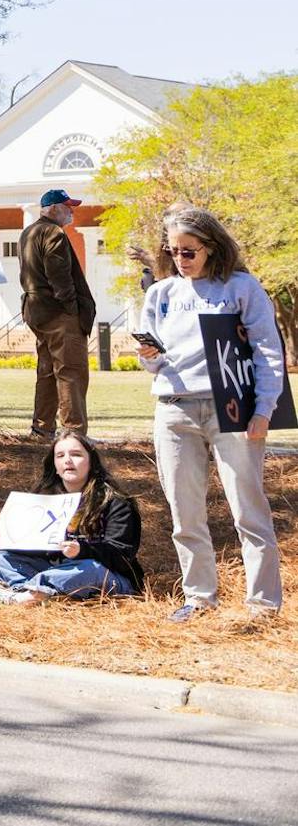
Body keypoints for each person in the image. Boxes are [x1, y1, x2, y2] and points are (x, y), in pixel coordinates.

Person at [136, 204, 285, 619]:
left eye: (189, 251)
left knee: (248, 509)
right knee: (185, 513)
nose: (180, 259)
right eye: (174, 251)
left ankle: (263, 604)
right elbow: (152, 361)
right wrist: (148, 355)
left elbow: (268, 351)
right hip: (174, 407)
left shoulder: (241, 288)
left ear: (212, 247)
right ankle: (199, 598)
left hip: (231, 408)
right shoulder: (161, 293)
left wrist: (264, 409)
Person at [0, 434, 144, 605]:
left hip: (107, 575)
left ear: (92, 462)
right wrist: (5, 537)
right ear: (55, 466)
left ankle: (23, 596)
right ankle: (38, 595)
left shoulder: (117, 503)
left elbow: (122, 554)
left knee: (89, 569)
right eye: (60, 455)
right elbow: (37, 547)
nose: (68, 460)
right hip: (57, 570)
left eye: (76, 454)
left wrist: (82, 550)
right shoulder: (45, 500)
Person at [20, 188, 96, 438]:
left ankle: (42, 429)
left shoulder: (28, 232)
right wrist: (73, 310)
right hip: (58, 313)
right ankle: (74, 432)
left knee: (47, 371)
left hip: (37, 311)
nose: (71, 211)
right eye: (67, 207)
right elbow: (59, 276)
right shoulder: (53, 232)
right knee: (71, 372)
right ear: (52, 209)